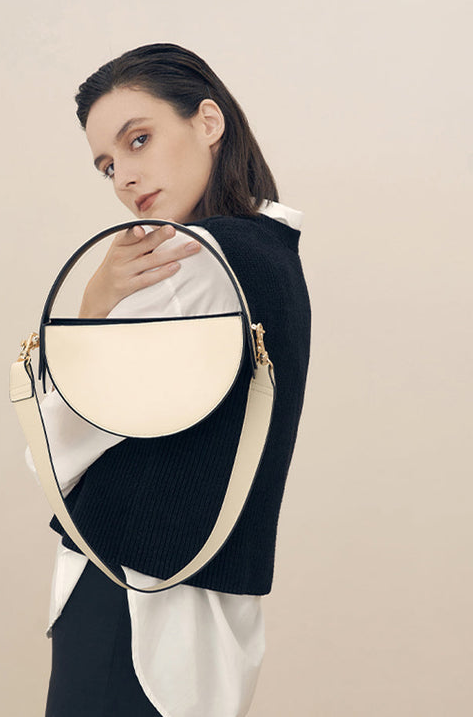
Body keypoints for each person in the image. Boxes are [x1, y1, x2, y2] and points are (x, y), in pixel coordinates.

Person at [24, 42, 311, 717]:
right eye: (107, 166)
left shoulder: (188, 261)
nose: (125, 178)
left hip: (130, 601)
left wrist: (93, 305)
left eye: (139, 139)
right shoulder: (272, 249)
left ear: (208, 122)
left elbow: (50, 449)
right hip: (211, 603)